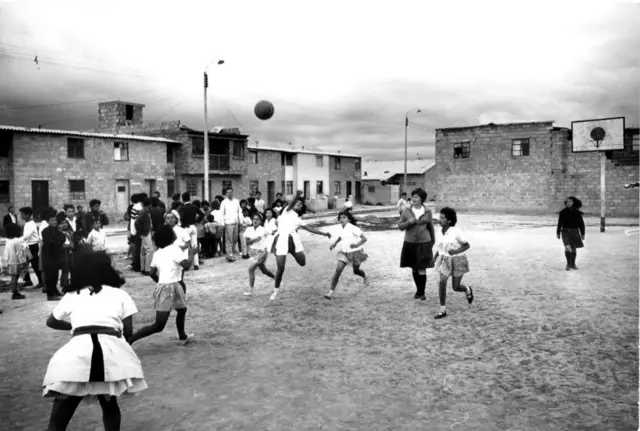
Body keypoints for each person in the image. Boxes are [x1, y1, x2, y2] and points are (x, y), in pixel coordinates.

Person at [42, 251, 147, 431]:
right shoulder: (119, 294)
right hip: (108, 354)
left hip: (75, 356)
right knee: (109, 405)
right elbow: (128, 330)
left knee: (60, 414)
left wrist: (77, 328)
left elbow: (51, 321)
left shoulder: (73, 294)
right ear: (108, 270)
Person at [128, 224, 196, 345]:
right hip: (172, 286)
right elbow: (186, 265)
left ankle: (182, 336)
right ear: (170, 236)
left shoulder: (158, 253)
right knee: (159, 325)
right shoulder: (175, 249)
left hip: (166, 286)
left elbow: (152, 272)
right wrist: (192, 253)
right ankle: (130, 340)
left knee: (182, 310)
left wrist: (161, 281)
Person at [269, 196, 332, 301]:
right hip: (282, 241)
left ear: (301, 208)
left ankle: (293, 252)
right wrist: (297, 196)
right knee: (280, 269)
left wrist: (324, 233)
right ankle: (275, 291)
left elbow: (310, 229)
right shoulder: (286, 211)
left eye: (300, 204)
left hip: (293, 241)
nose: (298, 204)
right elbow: (291, 204)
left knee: (303, 262)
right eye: (296, 203)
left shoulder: (298, 220)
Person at [430, 207, 474, 319]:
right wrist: (434, 259)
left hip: (458, 260)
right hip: (445, 259)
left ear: (449, 220)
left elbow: (467, 245)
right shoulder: (439, 231)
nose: (440, 220)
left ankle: (467, 289)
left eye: (442, 218)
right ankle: (442, 310)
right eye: (439, 217)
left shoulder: (456, 232)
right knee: (442, 282)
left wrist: (455, 251)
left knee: (456, 287)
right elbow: (440, 247)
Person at [398, 188, 435, 301]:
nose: (413, 199)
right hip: (410, 243)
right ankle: (418, 291)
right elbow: (400, 226)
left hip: (424, 243)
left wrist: (432, 241)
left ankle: (422, 292)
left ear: (422, 199)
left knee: (422, 268)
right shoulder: (406, 211)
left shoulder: (428, 212)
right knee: (414, 268)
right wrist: (408, 222)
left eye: (416, 197)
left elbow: (430, 227)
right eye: (413, 196)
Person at [325, 210, 370, 299]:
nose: (342, 219)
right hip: (344, 253)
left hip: (355, 253)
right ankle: (330, 292)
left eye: (344, 217)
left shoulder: (353, 228)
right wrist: (334, 244)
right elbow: (341, 237)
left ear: (349, 219)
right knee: (338, 271)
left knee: (356, 271)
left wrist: (356, 245)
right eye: (340, 218)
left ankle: (365, 276)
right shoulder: (342, 227)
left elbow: (364, 239)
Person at [243, 213, 276, 296]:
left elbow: (273, 234)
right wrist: (255, 239)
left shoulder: (264, 229)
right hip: (253, 252)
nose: (255, 221)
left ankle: (251, 291)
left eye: (257, 219)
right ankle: (276, 278)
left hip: (262, 252)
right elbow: (247, 242)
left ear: (261, 221)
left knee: (251, 269)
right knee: (264, 270)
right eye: (254, 219)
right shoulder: (249, 229)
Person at [2, 222, 32, 300]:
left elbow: (6, 253)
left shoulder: (8, 241)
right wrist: (24, 261)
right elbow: (21, 252)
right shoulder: (18, 241)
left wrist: (5, 261)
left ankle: (14, 291)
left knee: (13, 277)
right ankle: (15, 293)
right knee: (16, 277)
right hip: (17, 262)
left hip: (10, 262)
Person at [556, 196, 586, 271]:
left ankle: (573, 264)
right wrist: (558, 232)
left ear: (573, 203)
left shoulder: (577, 213)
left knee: (573, 248)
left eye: (570, 201)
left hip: (575, 232)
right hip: (565, 232)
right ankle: (568, 264)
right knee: (567, 247)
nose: (568, 203)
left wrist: (582, 233)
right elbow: (559, 223)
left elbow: (581, 224)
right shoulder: (563, 212)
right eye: (567, 201)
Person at [41, 212, 65, 301]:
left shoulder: (57, 231)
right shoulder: (45, 231)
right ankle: (50, 294)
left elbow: (62, 238)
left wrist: (58, 241)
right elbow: (51, 243)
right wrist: (58, 242)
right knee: (49, 275)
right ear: (48, 222)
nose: (54, 222)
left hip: (56, 256)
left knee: (55, 274)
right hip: (48, 256)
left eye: (55, 220)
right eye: (52, 220)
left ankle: (54, 290)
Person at [19, 206, 43, 289]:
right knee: (24, 264)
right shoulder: (27, 223)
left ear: (28, 215)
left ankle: (41, 281)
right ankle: (28, 280)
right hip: (27, 247)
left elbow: (26, 236)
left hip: (32, 247)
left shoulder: (31, 224)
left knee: (35, 264)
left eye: (22, 214)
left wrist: (16, 240)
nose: (21, 216)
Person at [220, 187, 242, 262]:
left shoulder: (236, 201)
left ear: (233, 192)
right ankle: (230, 255)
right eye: (228, 192)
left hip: (235, 222)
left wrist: (240, 221)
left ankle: (230, 253)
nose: (230, 193)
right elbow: (221, 213)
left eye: (231, 192)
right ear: (226, 194)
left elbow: (239, 212)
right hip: (228, 223)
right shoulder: (224, 202)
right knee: (229, 239)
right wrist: (223, 224)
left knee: (235, 239)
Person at [135, 197, 153, 275]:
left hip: (144, 232)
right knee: (150, 250)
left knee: (143, 251)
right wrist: (141, 232)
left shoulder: (144, 211)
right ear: (149, 204)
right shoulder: (144, 212)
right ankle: (147, 269)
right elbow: (137, 223)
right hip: (145, 233)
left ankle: (143, 268)